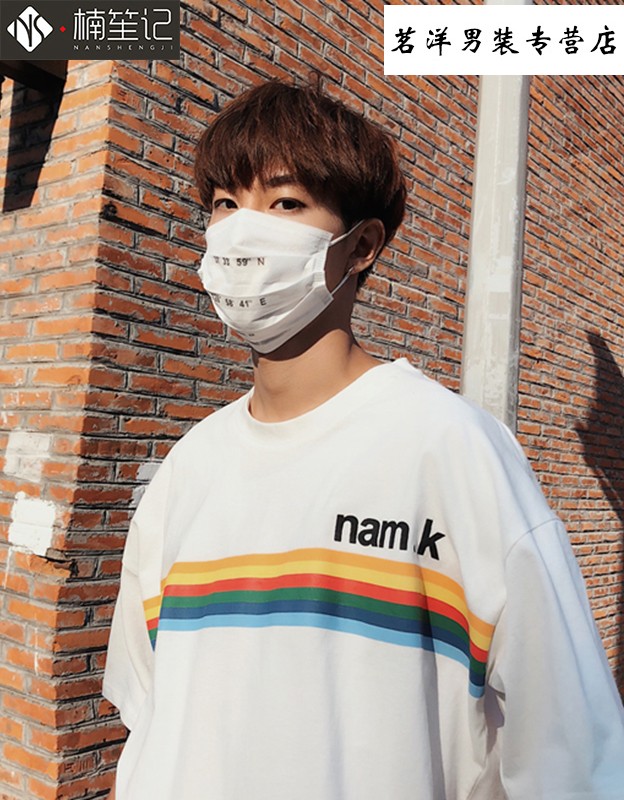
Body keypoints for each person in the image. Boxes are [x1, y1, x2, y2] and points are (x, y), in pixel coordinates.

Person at [102, 78, 624, 800]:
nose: (241, 231)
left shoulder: (452, 449)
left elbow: (575, 760)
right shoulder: (188, 470)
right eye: (224, 203)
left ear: (362, 246)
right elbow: (150, 722)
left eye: (286, 203)